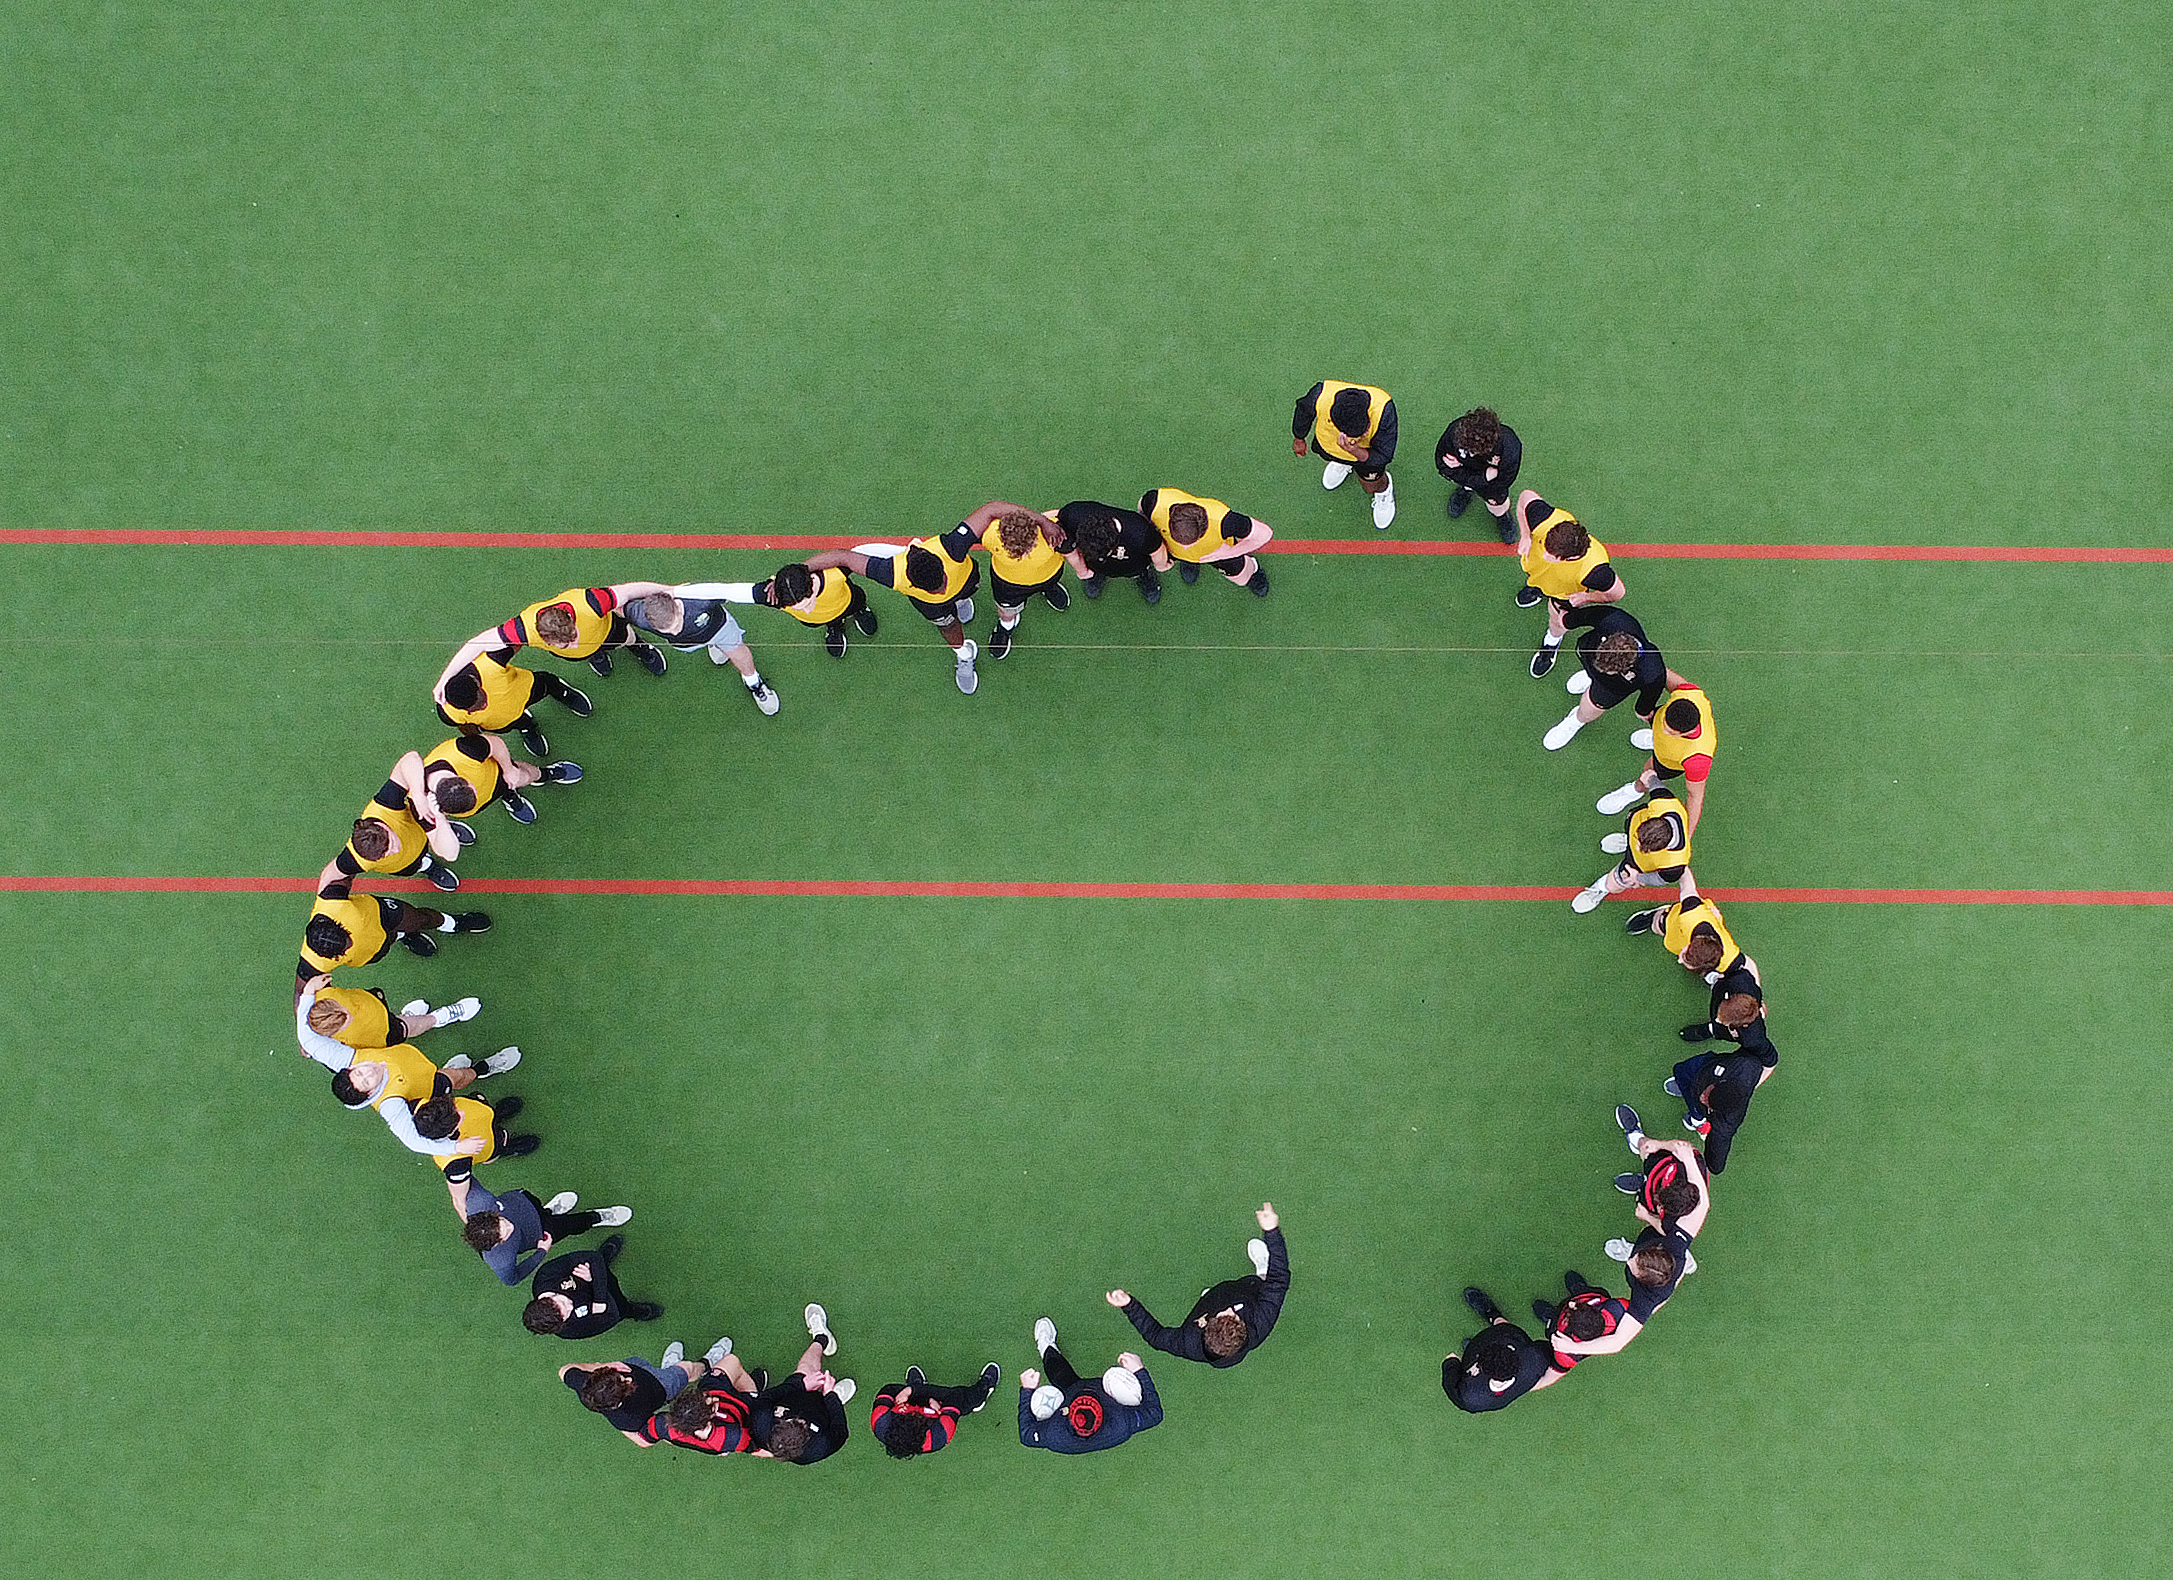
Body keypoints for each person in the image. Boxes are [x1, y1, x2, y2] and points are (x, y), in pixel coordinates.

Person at [1105, 1201, 1288, 1369]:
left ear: (1205, 1329)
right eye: (1233, 1316)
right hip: (1248, 1290)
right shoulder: (1261, 1320)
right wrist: (1271, 1231)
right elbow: (1279, 1278)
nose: (1230, 1309)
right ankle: (1263, 1269)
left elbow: (1155, 1336)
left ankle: (1210, 1298)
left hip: (1211, 1303)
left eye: (1225, 1314)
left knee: (1211, 1299)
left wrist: (1129, 1304)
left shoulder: (1188, 1342)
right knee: (1266, 1281)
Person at [803, 528, 984, 694]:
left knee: (958, 596)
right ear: (911, 583)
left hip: (965, 582)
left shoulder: (950, 546)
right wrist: (799, 574)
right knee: (948, 628)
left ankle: (960, 602)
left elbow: (991, 510)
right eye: (934, 590)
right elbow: (847, 557)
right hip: (933, 608)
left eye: (941, 582)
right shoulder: (892, 573)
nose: (942, 591)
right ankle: (965, 653)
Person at [607, 579, 780, 711]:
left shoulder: (699, 598)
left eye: (675, 625)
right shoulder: (640, 616)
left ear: (678, 607)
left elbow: (733, 591)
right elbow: (616, 603)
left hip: (720, 629)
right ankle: (714, 646)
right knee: (707, 647)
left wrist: (769, 594)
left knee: (738, 652)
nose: (674, 633)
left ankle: (754, 683)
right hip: (688, 645)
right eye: (667, 631)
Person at [295, 873, 489, 985]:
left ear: (337, 924)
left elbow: (345, 868)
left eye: (347, 937)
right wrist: (304, 1034)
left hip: (384, 914)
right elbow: (300, 992)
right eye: (345, 949)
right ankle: (403, 936)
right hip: (372, 952)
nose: (351, 943)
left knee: (419, 918)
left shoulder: (331, 901)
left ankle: (453, 923)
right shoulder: (312, 962)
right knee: (390, 940)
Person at [446, 1172, 631, 1287]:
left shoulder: (479, 1200)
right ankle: (597, 1217)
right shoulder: (500, 1260)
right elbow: (512, 1279)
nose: (510, 1225)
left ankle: (549, 1211)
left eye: (501, 1220)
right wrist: (541, 1252)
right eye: (506, 1233)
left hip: (522, 1202)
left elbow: (462, 1176)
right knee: (572, 1225)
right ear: (498, 1243)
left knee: (540, 1207)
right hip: (540, 1232)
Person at [1512, 490, 1623, 678]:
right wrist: (1526, 536)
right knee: (1539, 581)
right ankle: (1538, 589)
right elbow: (1525, 498)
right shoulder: (1545, 519)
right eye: (1546, 547)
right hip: (1540, 575)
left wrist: (1586, 597)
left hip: (1563, 594)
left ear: (1571, 557)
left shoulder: (1595, 571)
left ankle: (1551, 643)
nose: (1545, 555)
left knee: (1557, 621)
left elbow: (1617, 592)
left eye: (1551, 555)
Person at [1539, 608, 1680, 753]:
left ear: (1628, 667)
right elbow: (1576, 618)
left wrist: (1644, 712)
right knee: (1591, 670)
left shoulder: (1653, 673)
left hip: (1610, 689)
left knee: (1588, 710)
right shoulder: (1613, 618)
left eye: (1609, 670)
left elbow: (1643, 708)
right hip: (1587, 653)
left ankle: (1575, 721)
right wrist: (1565, 621)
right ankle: (1589, 676)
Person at [1017, 1317, 1163, 1454]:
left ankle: (1046, 1346)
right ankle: (1048, 1347)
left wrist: (1027, 1390)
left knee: (1059, 1375)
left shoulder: (1055, 1433)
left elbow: (1026, 1434)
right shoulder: (1121, 1422)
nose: (1086, 1392)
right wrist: (1139, 1371)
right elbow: (1155, 1414)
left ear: (1068, 1413)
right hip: (1108, 1394)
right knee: (1117, 1381)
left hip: (1071, 1392)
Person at [320, 753, 462, 893]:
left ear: (383, 827)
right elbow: (331, 872)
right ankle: (428, 866)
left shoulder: (385, 806)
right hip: (407, 864)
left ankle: (444, 829)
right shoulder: (355, 858)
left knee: (437, 825)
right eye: (385, 855)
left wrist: (418, 795)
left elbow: (410, 759)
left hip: (424, 828)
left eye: (391, 845)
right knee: (418, 865)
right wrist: (322, 905)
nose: (395, 851)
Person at [966, 500, 1085, 660]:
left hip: (1050, 575)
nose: (1021, 554)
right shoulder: (991, 534)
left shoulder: (1054, 532)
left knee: (1049, 584)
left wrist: (1082, 572)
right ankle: (1005, 627)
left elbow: (1061, 518)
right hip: (1008, 585)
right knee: (1006, 612)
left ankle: (1049, 589)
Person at [1596, 681, 1719, 835]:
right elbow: (1663, 673)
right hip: (1664, 738)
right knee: (1660, 730)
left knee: (1649, 771)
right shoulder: (1688, 693)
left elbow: (1695, 796)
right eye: (1664, 725)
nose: (1665, 730)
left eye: (1671, 732)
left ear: (1686, 732)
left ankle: (1636, 789)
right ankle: (1654, 739)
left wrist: (1685, 838)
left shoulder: (1697, 759)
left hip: (1669, 760)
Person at [431, 642, 591, 760]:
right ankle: (528, 727)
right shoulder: (446, 713)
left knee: (548, 684)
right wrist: (477, 736)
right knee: (520, 723)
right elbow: (464, 726)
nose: (483, 706)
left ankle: (563, 692)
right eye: (474, 709)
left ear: (476, 682)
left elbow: (517, 638)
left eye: (481, 700)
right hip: (502, 721)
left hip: (527, 689)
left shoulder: (490, 662)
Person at [743, 1303, 857, 1464]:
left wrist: (800, 1384)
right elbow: (840, 1432)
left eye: (795, 1420)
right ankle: (836, 1396)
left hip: (796, 1394)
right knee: (831, 1405)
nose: (801, 1419)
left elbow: (768, 1397)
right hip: (823, 1413)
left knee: (805, 1370)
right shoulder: (818, 1448)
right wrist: (831, 1398)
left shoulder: (760, 1421)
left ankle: (822, 1338)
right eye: (802, 1424)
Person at [294, 972, 477, 1066]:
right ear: (333, 1036)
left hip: (373, 1003)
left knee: (393, 1016)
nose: (349, 1012)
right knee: (405, 1028)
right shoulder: (341, 1050)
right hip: (382, 1033)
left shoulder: (317, 996)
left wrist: (310, 988)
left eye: (341, 1008)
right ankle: (440, 1017)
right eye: (345, 1020)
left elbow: (305, 999)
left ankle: (404, 1017)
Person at [415, 730, 581, 834]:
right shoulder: (421, 804)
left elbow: (495, 744)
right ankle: (509, 797)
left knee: (524, 775)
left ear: (461, 778)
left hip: (499, 774)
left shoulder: (462, 752)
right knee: (496, 794)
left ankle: (545, 774)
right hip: (482, 801)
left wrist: (509, 770)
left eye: (474, 789)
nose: (477, 792)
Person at [483, 586, 664, 678]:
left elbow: (630, 590)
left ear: (570, 618)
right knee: (583, 652)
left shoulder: (591, 603)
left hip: (609, 631)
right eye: (566, 644)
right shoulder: (522, 630)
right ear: (546, 640)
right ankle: (596, 656)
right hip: (577, 654)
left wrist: (671, 591)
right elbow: (479, 642)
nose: (575, 644)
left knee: (628, 638)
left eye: (574, 635)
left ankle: (640, 648)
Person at [710, 563, 878, 659]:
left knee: (858, 600)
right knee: (824, 619)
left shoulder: (835, 573)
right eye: (799, 608)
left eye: (807, 603)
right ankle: (834, 625)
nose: (805, 611)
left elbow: (858, 555)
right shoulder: (775, 596)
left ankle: (860, 610)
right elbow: (732, 592)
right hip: (818, 620)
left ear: (811, 586)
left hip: (848, 600)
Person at [1292, 379, 1398, 529]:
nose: (1366, 432)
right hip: (1329, 447)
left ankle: (1384, 492)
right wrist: (1299, 437)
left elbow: (1383, 456)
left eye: (1363, 428)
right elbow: (1303, 410)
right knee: (1329, 456)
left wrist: (1354, 450)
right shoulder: (1320, 394)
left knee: (1371, 486)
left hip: (1366, 457)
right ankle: (1344, 463)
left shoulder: (1384, 409)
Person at [1571, 789, 1692, 914]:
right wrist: (1647, 778)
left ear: (1665, 847)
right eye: (1640, 840)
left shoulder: (1675, 865)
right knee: (1634, 840)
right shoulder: (1666, 802)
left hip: (1637, 864)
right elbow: (1654, 783)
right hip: (1633, 829)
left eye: (1644, 847)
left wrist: (1638, 877)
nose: (1638, 846)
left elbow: (1660, 879)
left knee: (1619, 881)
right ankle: (1626, 841)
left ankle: (1600, 888)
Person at [1139, 487, 1275, 597]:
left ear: (1204, 526)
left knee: (1242, 579)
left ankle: (1254, 568)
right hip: (1171, 549)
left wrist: (1229, 553)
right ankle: (1189, 561)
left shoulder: (1224, 521)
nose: (1184, 548)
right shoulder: (1155, 503)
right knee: (1183, 554)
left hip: (1216, 552)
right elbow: (1140, 510)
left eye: (1190, 543)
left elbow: (1265, 533)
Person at [561, 1344, 705, 1447]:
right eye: (624, 1383)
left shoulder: (583, 1384)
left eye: (619, 1377)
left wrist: (606, 1365)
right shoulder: (628, 1419)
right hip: (661, 1386)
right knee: (688, 1368)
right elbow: (642, 1441)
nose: (629, 1378)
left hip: (637, 1368)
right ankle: (706, 1366)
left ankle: (667, 1368)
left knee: (643, 1364)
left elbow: (564, 1370)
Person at [1444, 1286, 1561, 1411]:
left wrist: (1451, 1363)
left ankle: (1488, 1319)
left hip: (1479, 1348)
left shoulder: (1471, 1397)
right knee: (1503, 1325)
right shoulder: (1536, 1359)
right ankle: (1492, 1314)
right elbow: (1557, 1365)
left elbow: (1451, 1378)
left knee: (1482, 1343)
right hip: (1510, 1335)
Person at [522, 1233, 661, 1337]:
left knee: (598, 1261)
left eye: (563, 1302)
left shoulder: (545, 1276)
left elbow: (591, 1257)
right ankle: (631, 1311)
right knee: (621, 1309)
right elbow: (611, 1317)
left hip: (597, 1292)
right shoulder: (567, 1329)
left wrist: (596, 1290)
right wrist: (599, 1290)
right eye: (567, 1313)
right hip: (611, 1304)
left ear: (547, 1297)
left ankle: (603, 1259)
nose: (570, 1306)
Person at [1610, 1106, 1714, 1239]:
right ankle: (1635, 1135)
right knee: (1645, 1147)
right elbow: (1683, 1148)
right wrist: (1658, 1145)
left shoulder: (1676, 1221)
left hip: (1652, 1195)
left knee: (1644, 1200)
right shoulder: (1693, 1168)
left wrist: (1647, 1217)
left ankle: (1642, 1185)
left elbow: (1666, 1230)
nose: (1657, 1197)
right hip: (1665, 1164)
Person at [644, 1338, 762, 1453]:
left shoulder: (660, 1425)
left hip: (717, 1401)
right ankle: (753, 1394)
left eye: (703, 1396)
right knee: (732, 1363)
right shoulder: (732, 1436)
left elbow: (643, 1440)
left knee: (730, 1362)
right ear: (709, 1418)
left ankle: (672, 1376)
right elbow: (756, 1447)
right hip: (743, 1410)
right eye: (711, 1404)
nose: (714, 1398)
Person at [869, 1362, 1004, 1460]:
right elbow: (954, 1395)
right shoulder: (940, 1434)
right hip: (941, 1411)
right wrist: (936, 1406)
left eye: (903, 1411)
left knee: (910, 1394)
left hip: (923, 1404)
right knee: (966, 1399)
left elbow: (889, 1389)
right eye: (913, 1414)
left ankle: (917, 1386)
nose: (905, 1408)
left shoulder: (880, 1419)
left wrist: (912, 1390)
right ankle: (983, 1390)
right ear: (924, 1427)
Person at [1624, 871, 1745, 979]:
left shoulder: (1730, 958)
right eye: (1684, 956)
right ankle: (1656, 916)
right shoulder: (1692, 913)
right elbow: (1686, 881)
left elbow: (1749, 964)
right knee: (1658, 927)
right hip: (1676, 922)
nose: (1679, 960)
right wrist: (1676, 865)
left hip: (1685, 938)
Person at [1434, 407, 1522, 537]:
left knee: (1496, 503)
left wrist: (1474, 478)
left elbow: (1503, 482)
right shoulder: (1454, 433)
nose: (1469, 453)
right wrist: (1483, 477)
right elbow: (1444, 467)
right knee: (1466, 483)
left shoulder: (1510, 448)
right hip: (1476, 475)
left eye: (1473, 452)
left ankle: (1503, 517)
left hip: (1492, 483)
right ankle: (1466, 490)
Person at [414, 1089, 540, 1178]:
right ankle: (507, 1148)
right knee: (497, 1146)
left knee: (487, 1111)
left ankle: (497, 1114)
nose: (461, 1112)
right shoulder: (451, 1161)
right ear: (448, 1132)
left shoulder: (423, 1110)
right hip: (489, 1145)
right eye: (456, 1117)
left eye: (452, 1108)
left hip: (480, 1111)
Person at [1059, 499, 1163, 604]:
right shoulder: (1072, 514)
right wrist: (1082, 570)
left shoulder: (1142, 533)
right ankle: (1095, 574)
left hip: (1134, 565)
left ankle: (1144, 576)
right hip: (1095, 565)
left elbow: (1157, 552)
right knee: (1096, 565)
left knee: (1139, 570)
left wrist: (1161, 565)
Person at [1531, 1269, 1640, 1370]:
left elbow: (1562, 1363)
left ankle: (1551, 1317)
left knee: (1553, 1325)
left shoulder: (1565, 1356)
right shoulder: (1619, 1307)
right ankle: (1580, 1289)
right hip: (1589, 1296)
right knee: (1588, 1293)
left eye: (1572, 1311)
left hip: (1558, 1324)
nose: (1571, 1304)